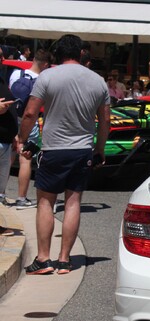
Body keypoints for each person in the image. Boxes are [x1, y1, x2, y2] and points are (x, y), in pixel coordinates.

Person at [15, 34, 110, 275]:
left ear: (58, 55)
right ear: (80, 54)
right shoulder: (98, 81)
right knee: (73, 202)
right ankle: (65, 260)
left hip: (54, 149)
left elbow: (29, 113)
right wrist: (99, 149)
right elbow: (106, 120)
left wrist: (22, 139)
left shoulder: (47, 76)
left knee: (45, 201)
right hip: (82, 149)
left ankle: (44, 259)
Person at [9, 49, 52, 209]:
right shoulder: (42, 81)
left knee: (8, 157)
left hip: (13, 120)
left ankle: (1, 194)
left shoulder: (16, 75)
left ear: (34, 59)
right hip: (30, 122)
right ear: (46, 64)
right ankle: (21, 198)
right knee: (25, 159)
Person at [0, 49, 18, 210]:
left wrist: (15, 134)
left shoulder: (1, 79)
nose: (3, 59)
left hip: (5, 142)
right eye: (0, 56)